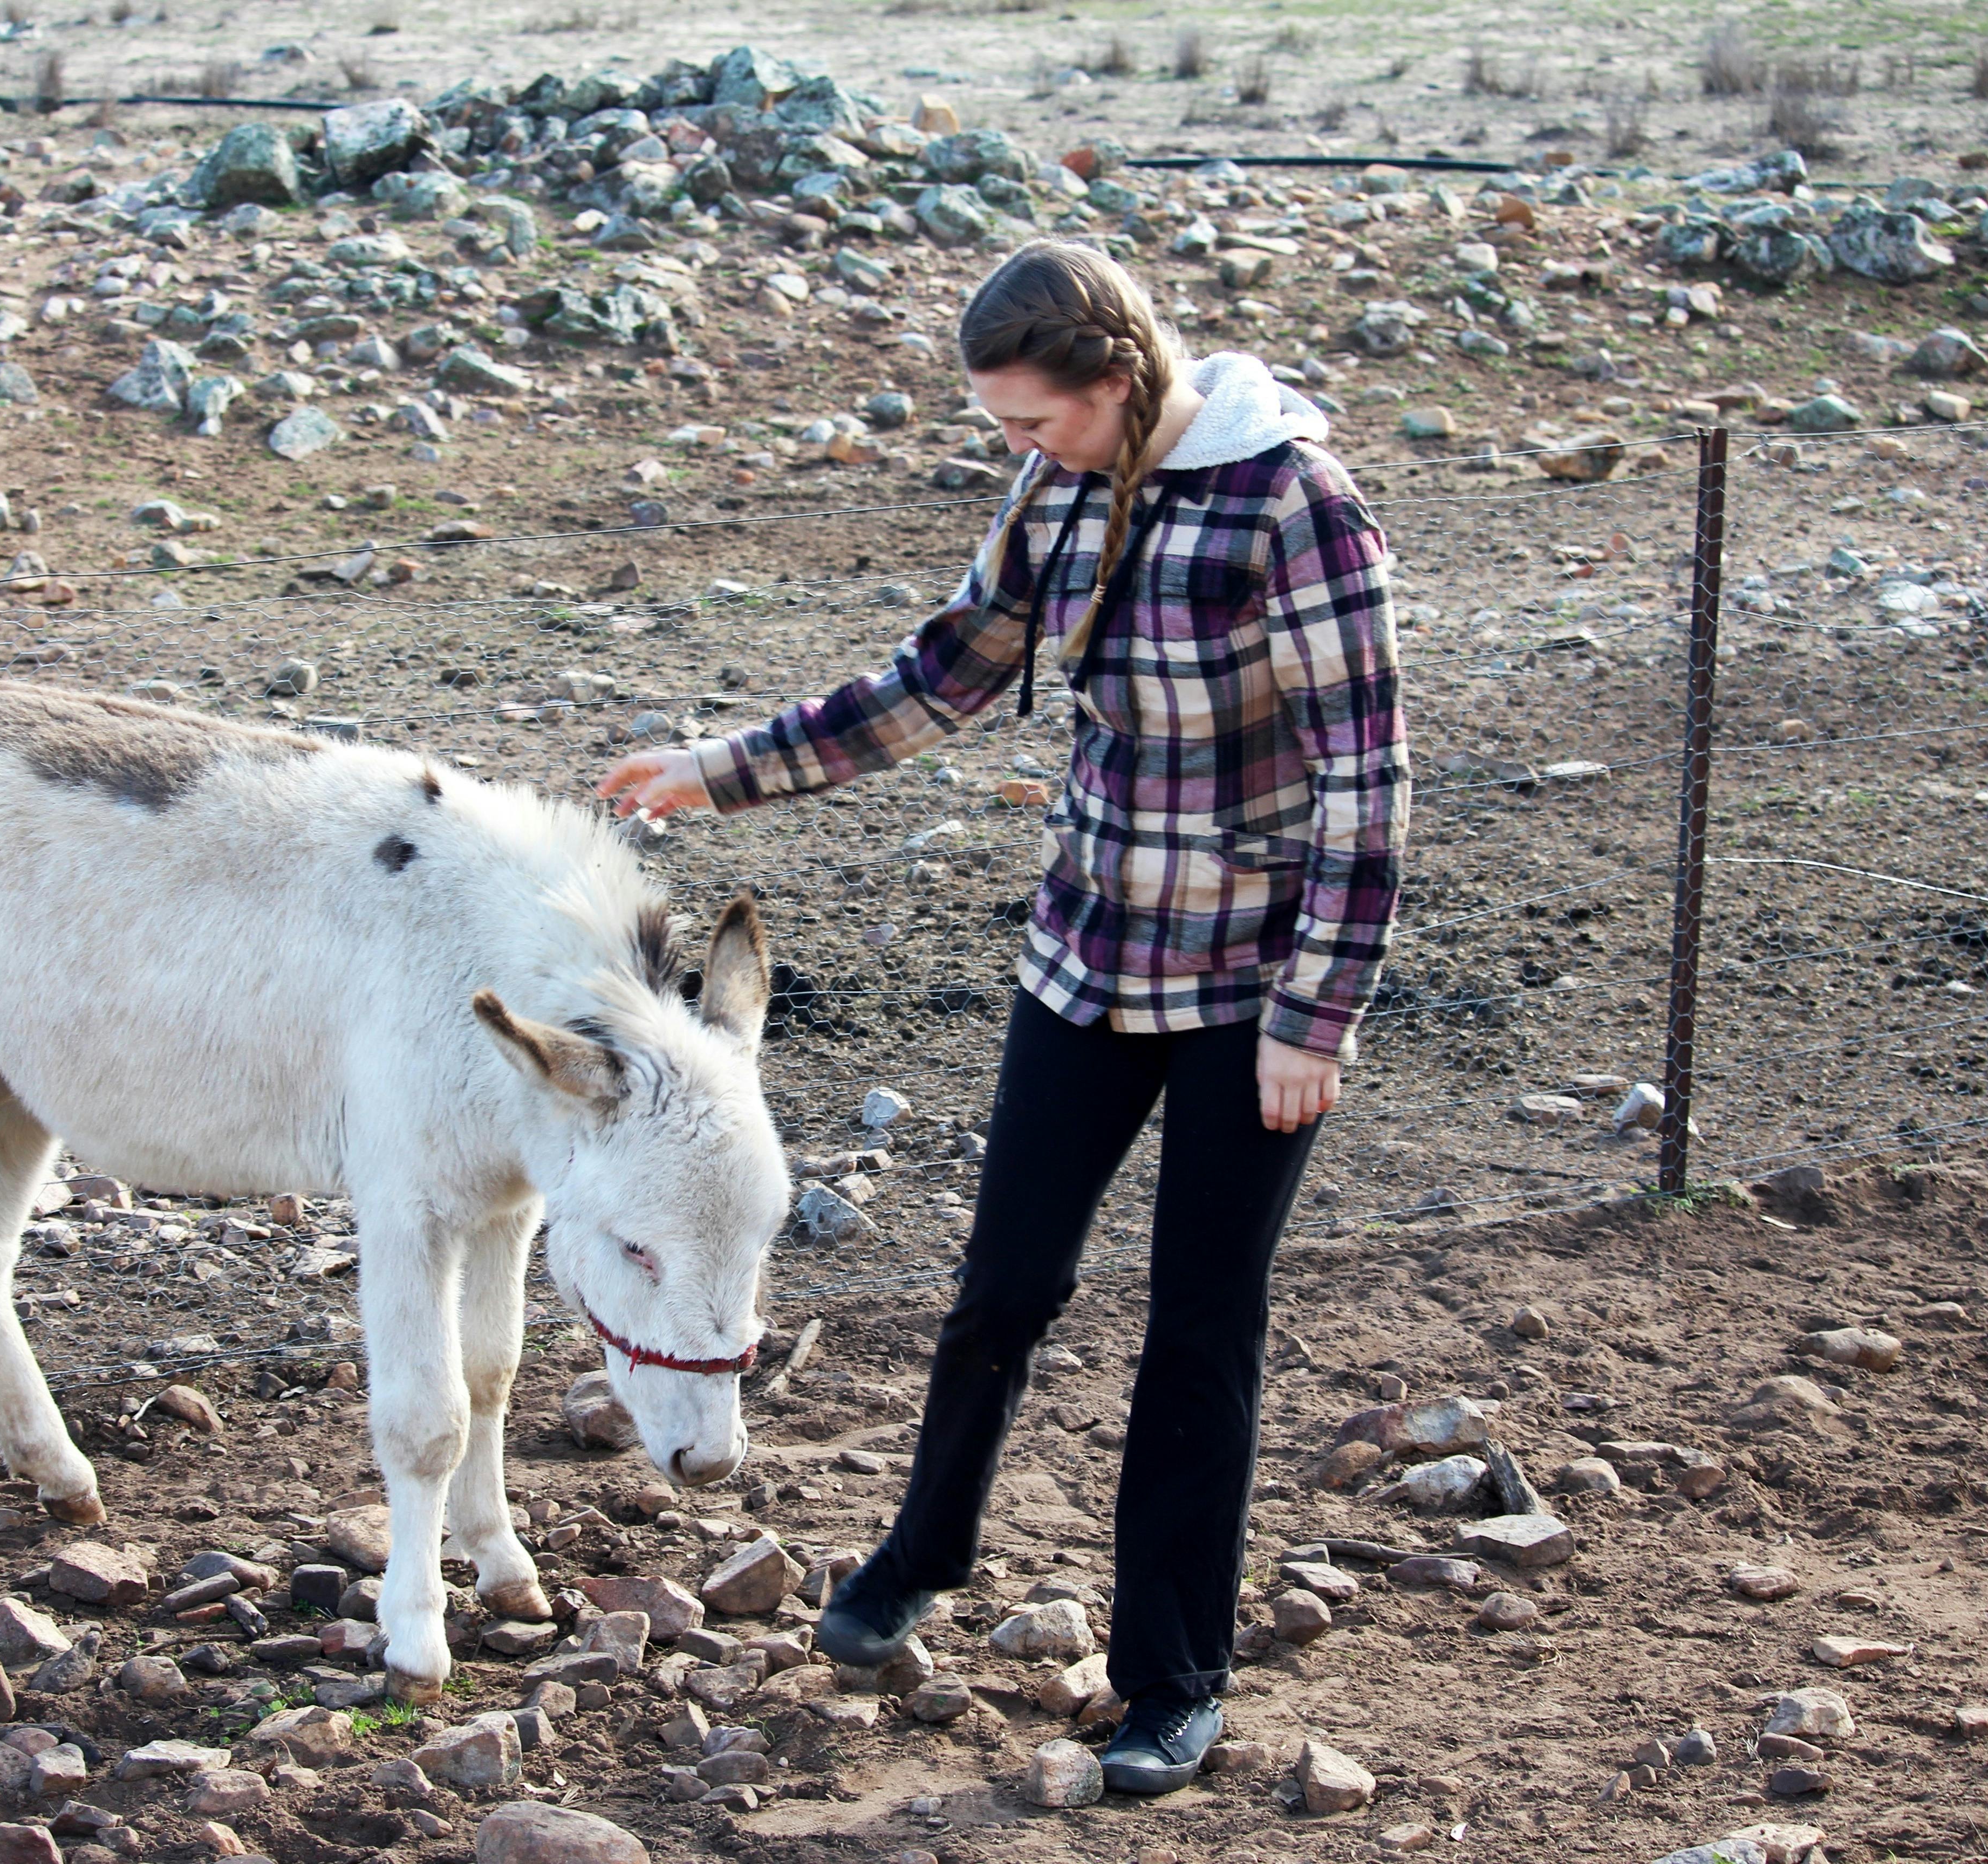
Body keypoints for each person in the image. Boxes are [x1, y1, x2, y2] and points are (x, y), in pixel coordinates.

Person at [597, 239, 1407, 1795]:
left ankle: (1174, 1681)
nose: (1015, 454)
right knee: (1001, 1288)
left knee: (1198, 1331)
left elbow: (1368, 787)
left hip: (1251, 999)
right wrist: (720, 765)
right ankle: (925, 1550)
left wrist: (1319, 1010)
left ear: (1117, 383)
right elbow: (938, 680)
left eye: (1034, 422)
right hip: (1089, 961)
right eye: (1003, 431)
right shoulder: (1059, 495)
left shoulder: (1295, 508)